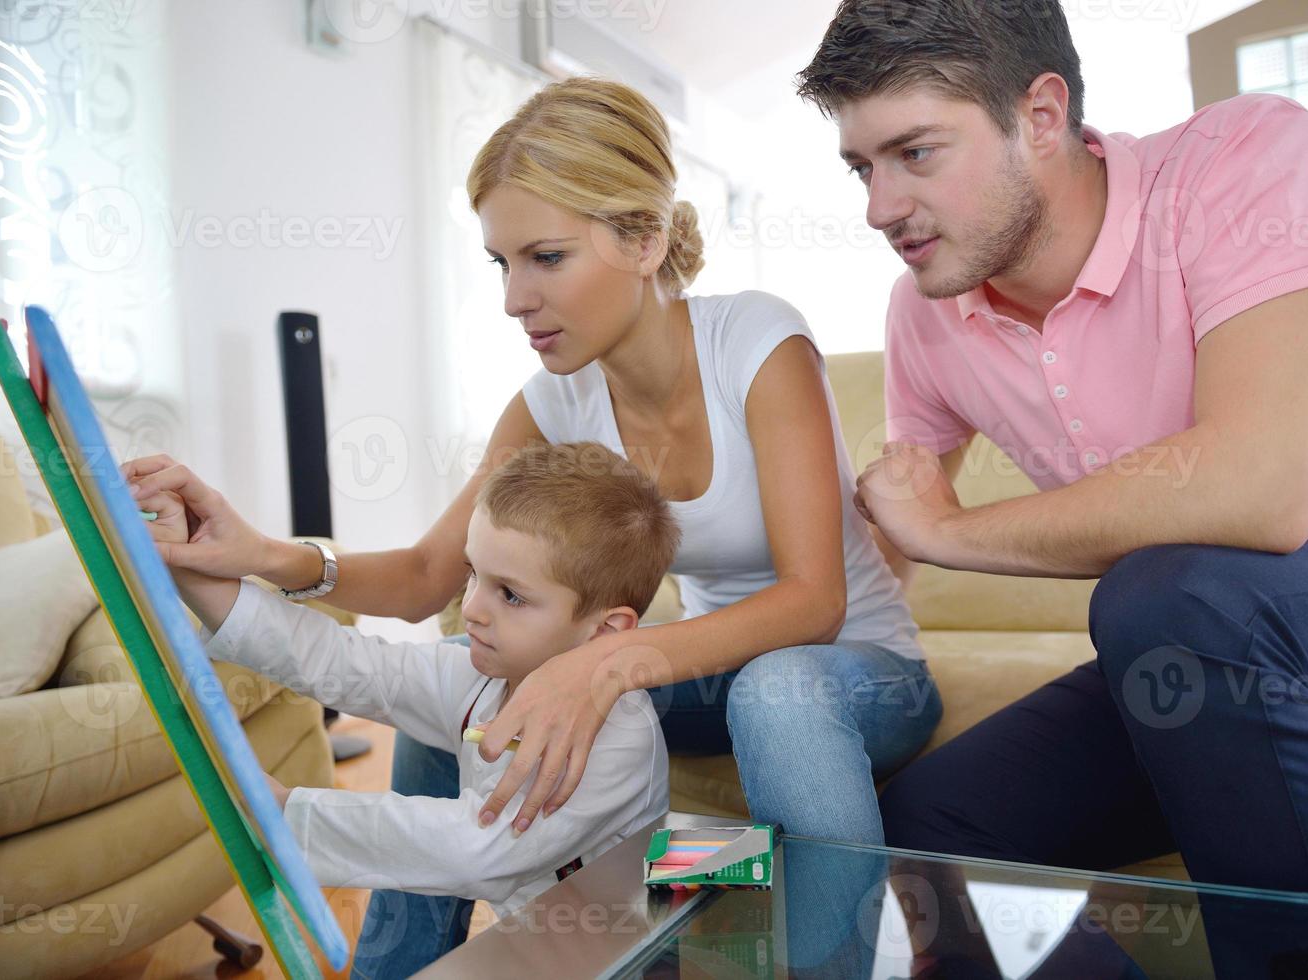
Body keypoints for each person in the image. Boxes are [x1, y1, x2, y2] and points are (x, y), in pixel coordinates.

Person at [123, 76, 940, 977]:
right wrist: (265, 555)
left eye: (545, 257)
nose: (515, 296)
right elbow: (427, 574)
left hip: (848, 675)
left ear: (643, 238)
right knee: (473, 695)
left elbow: (814, 601)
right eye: (500, 263)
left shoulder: (755, 343)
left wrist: (604, 662)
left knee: (770, 694)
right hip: (700, 673)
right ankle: (401, 967)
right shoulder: (554, 400)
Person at [796, 0, 1308, 906]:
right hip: (1210, 668)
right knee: (930, 836)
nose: (877, 207)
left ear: (1041, 115)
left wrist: (953, 530)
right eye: (862, 166)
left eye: (915, 152)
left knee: (1169, 594)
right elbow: (887, 537)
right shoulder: (924, 312)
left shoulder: (1245, 157)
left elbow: (1264, 491)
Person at [134, 442, 677, 957]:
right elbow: (350, 665)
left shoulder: (615, 736)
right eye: (474, 576)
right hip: (536, 947)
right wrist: (190, 568)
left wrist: (288, 812)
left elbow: (473, 849)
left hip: (622, 958)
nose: (474, 611)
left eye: (510, 594)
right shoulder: (483, 675)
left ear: (604, 631)